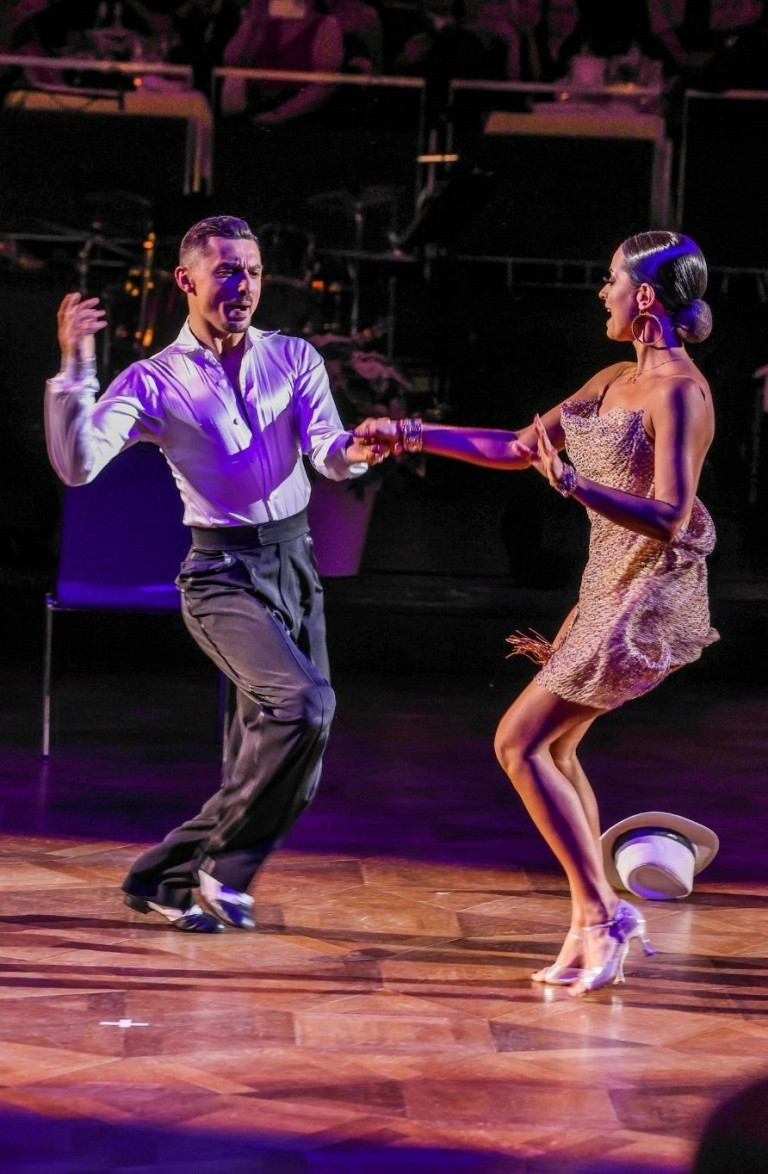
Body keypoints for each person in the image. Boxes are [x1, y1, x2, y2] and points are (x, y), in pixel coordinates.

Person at [356, 230, 718, 996]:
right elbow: (519, 447)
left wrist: (576, 487)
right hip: (604, 584)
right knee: (554, 751)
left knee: (519, 743)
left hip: (647, 592)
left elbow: (672, 515)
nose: (602, 293)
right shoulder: (613, 377)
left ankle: (600, 916)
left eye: (611, 281)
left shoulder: (679, 393)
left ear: (644, 297)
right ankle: (600, 916)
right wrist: (411, 433)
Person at [44, 214, 382, 934]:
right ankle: (223, 874)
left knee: (294, 762)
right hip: (222, 573)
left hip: (296, 565)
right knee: (305, 705)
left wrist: (359, 449)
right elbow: (77, 465)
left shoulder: (293, 358)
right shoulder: (155, 379)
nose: (244, 285)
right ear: (187, 279)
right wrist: (76, 367)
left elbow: (327, 452)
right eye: (228, 270)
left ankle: (162, 878)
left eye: (254, 271)